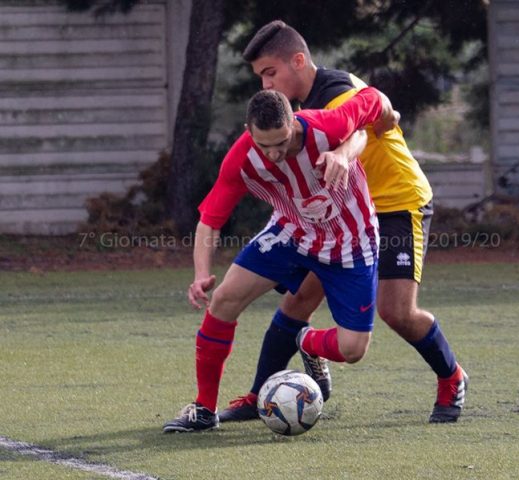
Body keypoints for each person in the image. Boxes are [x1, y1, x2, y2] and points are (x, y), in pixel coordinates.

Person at [219, 20, 467, 425]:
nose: (265, 85)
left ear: (298, 61)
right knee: (299, 298)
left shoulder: (335, 92)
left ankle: (452, 376)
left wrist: (360, 138)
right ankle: (258, 395)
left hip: (394, 205)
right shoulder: (297, 107)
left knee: (396, 312)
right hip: (345, 216)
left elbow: (376, 116)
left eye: (270, 73)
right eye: (261, 77)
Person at [162, 86, 396, 432]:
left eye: (281, 143)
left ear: (294, 125)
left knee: (352, 349)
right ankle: (204, 409)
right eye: (264, 145)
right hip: (292, 233)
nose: (273, 153)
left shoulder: (327, 126)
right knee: (224, 299)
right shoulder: (242, 158)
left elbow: (374, 100)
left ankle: (304, 341)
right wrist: (200, 274)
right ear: (248, 132)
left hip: (351, 242)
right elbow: (210, 220)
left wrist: (367, 136)